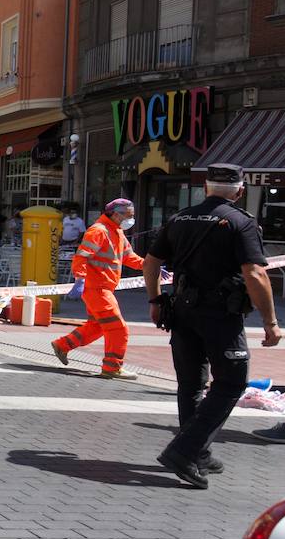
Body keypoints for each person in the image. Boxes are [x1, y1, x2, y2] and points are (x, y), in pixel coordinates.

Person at [143, 163, 281, 488]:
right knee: (231, 383)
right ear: (240, 191)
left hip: (181, 311)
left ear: (205, 188)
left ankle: (198, 454)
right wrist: (271, 321)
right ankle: (184, 450)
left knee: (191, 384)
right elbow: (256, 274)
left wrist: (154, 300)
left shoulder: (179, 219)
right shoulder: (240, 222)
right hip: (220, 315)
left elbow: (151, 262)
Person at [50, 199, 145, 380]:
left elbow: (129, 257)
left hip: (101, 289)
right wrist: (80, 279)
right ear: (116, 214)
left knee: (97, 326)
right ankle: (112, 368)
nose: (131, 219)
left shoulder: (116, 231)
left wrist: (149, 265)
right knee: (118, 329)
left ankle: (62, 345)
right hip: (98, 289)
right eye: (129, 216)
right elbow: (82, 256)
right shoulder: (99, 231)